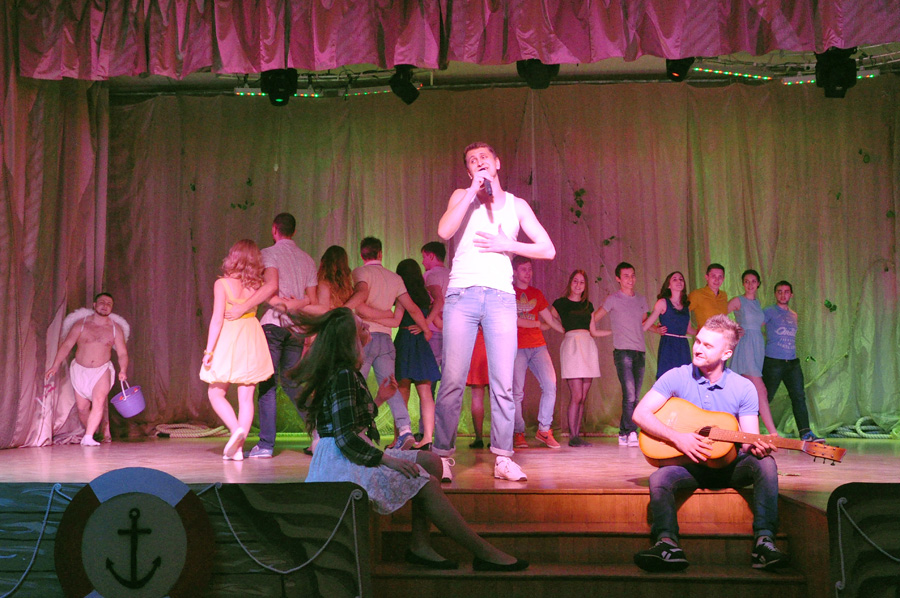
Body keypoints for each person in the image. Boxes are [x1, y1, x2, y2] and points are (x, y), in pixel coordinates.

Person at [295, 308, 528, 572]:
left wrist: (380, 399)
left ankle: (420, 544)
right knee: (424, 480)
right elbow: (346, 437)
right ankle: (482, 551)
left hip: (347, 454)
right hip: (342, 465)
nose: (368, 328)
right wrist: (389, 460)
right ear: (350, 338)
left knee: (431, 462)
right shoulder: (344, 375)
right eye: (362, 327)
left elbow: (351, 421)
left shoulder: (347, 372)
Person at [433, 141, 556, 483]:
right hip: (462, 294)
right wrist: (471, 193)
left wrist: (508, 245)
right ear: (468, 171)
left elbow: (548, 249)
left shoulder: (517, 205)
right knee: (452, 379)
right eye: (472, 160)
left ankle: (503, 458)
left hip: (501, 298)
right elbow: (444, 231)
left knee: (503, 382)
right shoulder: (462, 195)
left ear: (497, 163)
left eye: (484, 157)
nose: (479, 162)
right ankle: (441, 456)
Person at [632, 315, 789, 572]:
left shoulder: (744, 387)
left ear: (726, 353)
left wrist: (757, 447)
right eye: (698, 341)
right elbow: (640, 414)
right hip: (689, 466)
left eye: (707, 345)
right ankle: (667, 545)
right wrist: (678, 438)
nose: (698, 348)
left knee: (766, 464)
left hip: (729, 466)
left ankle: (764, 543)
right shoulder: (676, 376)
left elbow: (749, 439)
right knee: (659, 478)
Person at [225, 213, 318, 459]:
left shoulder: (269, 254)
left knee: (267, 384)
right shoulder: (307, 260)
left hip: (274, 324)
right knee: (292, 384)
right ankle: (319, 432)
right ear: (294, 231)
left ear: (274, 229)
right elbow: (312, 300)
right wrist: (299, 303)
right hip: (297, 327)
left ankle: (266, 444)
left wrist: (247, 307)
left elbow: (270, 289)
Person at [345, 237, 432, 450]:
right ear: (380, 254)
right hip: (385, 340)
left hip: (364, 337)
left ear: (362, 254)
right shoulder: (394, 278)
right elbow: (412, 308)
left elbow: (360, 303)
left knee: (357, 385)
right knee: (390, 385)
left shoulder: (359, 273)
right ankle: (405, 430)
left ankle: (356, 429)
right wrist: (426, 329)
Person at [199, 240, 275, 461]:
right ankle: (238, 450)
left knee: (215, 393)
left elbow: (216, 320)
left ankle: (236, 431)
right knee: (246, 398)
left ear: (233, 257)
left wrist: (209, 351)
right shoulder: (258, 285)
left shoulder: (222, 284)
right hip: (251, 335)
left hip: (230, 337)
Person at [46, 293, 130, 446]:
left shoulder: (115, 329)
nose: (105, 306)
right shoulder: (81, 324)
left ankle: (88, 437)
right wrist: (56, 365)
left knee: (99, 401)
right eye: (102, 302)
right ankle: (93, 431)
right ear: (94, 304)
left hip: (102, 370)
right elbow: (67, 345)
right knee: (82, 408)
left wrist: (123, 370)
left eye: (109, 304)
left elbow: (122, 353)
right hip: (80, 370)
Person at [374, 259, 441, 449]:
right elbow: (438, 304)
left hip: (405, 340)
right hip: (420, 343)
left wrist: (374, 318)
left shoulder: (402, 296)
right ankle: (427, 438)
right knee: (426, 393)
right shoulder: (425, 295)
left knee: (401, 391)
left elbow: (396, 319)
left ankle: (400, 438)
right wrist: (425, 325)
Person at [592, 262, 650, 447]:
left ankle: (624, 432)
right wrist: (593, 330)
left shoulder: (641, 300)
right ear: (618, 278)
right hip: (623, 351)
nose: (630, 279)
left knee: (635, 396)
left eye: (632, 275)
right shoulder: (613, 299)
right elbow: (594, 317)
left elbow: (644, 322)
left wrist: (658, 327)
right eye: (626, 276)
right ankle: (631, 431)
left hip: (639, 351)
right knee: (630, 394)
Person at [551, 269, 610, 447]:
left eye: (582, 282)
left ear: (585, 286)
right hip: (572, 347)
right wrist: (562, 329)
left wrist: (614, 332)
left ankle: (576, 435)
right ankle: (572, 436)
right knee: (576, 394)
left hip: (588, 346)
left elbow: (593, 331)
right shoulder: (561, 303)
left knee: (583, 396)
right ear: (570, 283)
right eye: (575, 281)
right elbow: (549, 319)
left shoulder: (588, 305)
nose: (578, 285)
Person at [511, 256, 565, 449]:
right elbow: (513, 319)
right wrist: (536, 324)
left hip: (538, 346)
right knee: (517, 392)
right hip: (517, 347)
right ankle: (518, 432)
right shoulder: (509, 292)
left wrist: (567, 330)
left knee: (550, 385)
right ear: (515, 272)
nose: (528, 273)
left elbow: (548, 319)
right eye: (523, 269)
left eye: (530, 269)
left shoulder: (536, 293)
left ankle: (544, 429)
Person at [762, 281, 819, 441]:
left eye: (786, 291)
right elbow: (754, 328)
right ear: (775, 294)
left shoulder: (794, 315)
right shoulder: (769, 311)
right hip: (773, 362)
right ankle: (743, 429)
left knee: (799, 397)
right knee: (765, 398)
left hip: (792, 362)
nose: (783, 295)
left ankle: (806, 433)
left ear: (791, 294)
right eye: (779, 291)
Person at [728, 269, 779, 435]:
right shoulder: (738, 300)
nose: (750, 284)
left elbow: (759, 325)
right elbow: (718, 314)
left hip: (757, 348)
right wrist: (734, 328)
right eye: (747, 281)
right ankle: (773, 434)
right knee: (761, 390)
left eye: (753, 281)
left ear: (758, 284)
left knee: (743, 391)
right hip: (745, 347)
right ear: (743, 284)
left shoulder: (758, 303)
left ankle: (741, 431)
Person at [644, 271, 694, 379]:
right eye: (675, 279)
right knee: (667, 378)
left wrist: (704, 331)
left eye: (681, 279)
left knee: (685, 378)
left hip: (683, 347)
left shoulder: (686, 305)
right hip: (668, 346)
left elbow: (688, 329)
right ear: (669, 285)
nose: (679, 281)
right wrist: (657, 329)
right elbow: (646, 325)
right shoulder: (662, 302)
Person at [306, 245, 355, 314]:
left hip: (329, 319)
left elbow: (323, 309)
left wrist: (301, 306)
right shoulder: (347, 286)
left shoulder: (324, 284)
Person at [466, 327, 489, 450]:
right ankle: (497, 439)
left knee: (477, 396)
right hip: (494, 346)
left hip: (477, 346)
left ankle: (479, 438)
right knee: (497, 397)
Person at [688, 263, 728, 331]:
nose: (717, 280)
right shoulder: (697, 294)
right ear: (707, 277)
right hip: (706, 336)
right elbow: (682, 311)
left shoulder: (723, 295)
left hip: (722, 335)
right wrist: (689, 329)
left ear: (723, 279)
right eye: (713, 276)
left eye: (720, 277)